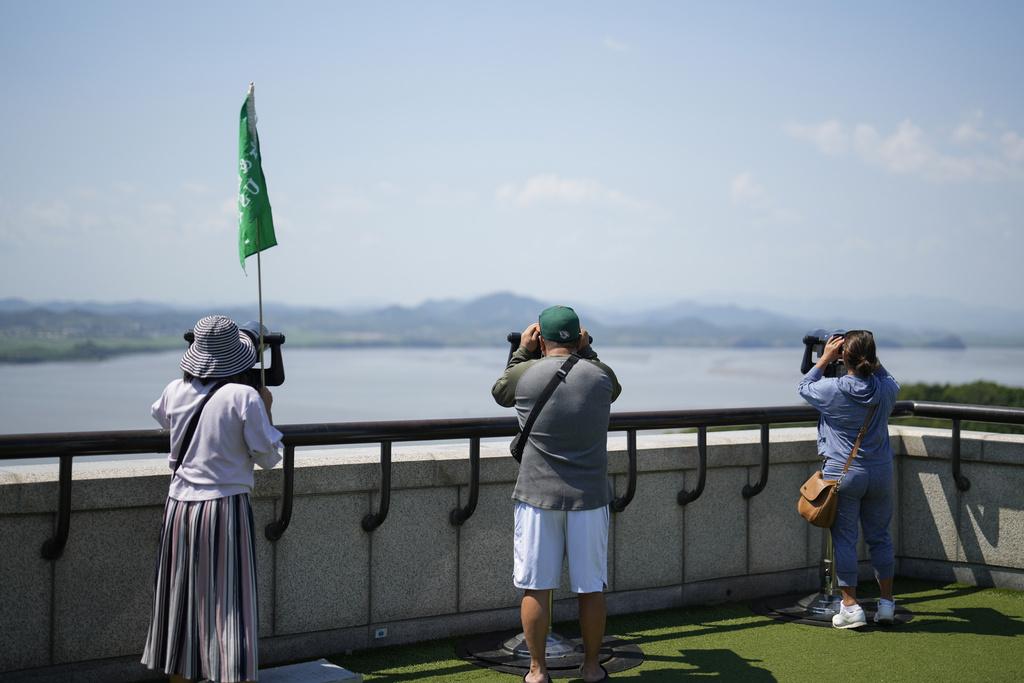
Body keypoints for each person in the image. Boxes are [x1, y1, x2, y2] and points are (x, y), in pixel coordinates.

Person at [142, 315, 282, 682]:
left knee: (181, 598)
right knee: (229, 601)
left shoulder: (175, 389)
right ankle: (232, 672)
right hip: (224, 506)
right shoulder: (244, 396)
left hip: (178, 506)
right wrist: (266, 406)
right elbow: (268, 456)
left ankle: (180, 673)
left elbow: (161, 417)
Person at [492, 305, 622, 683]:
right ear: (579, 337)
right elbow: (613, 389)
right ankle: (592, 667)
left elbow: (500, 392)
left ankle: (537, 671)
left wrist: (522, 350)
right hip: (589, 498)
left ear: (541, 338)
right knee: (591, 588)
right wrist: (587, 350)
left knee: (536, 587)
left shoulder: (525, 374)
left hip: (537, 496)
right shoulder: (600, 375)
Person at [798, 330, 900, 629]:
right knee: (880, 537)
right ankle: (886, 604)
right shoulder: (886, 389)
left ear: (845, 357)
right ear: (873, 356)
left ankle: (851, 607)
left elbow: (804, 386)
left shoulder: (834, 390)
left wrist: (825, 359)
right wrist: (869, 358)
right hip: (880, 471)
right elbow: (890, 379)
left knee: (845, 539)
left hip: (844, 473)